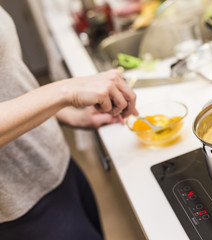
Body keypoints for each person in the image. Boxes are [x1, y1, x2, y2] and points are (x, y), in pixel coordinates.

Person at [0, 5, 138, 240]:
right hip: (17, 206)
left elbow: (9, 81)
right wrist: (66, 92)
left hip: (57, 164)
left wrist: (68, 115)